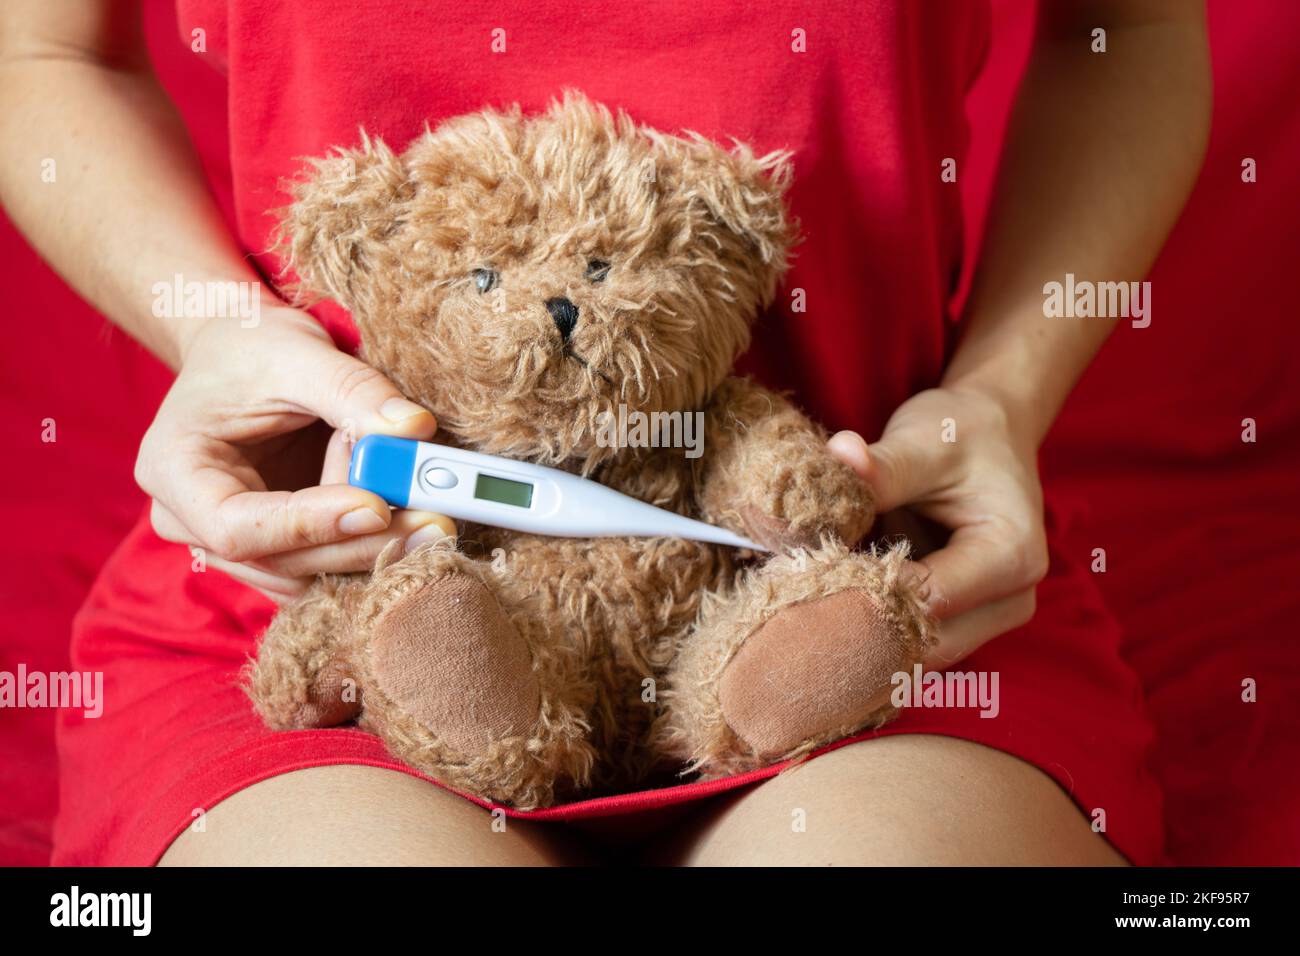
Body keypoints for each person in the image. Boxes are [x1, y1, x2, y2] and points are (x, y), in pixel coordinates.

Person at [0, 0, 1211, 865]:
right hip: (340, 585)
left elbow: (1131, 34)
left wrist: (1005, 390)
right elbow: (44, 46)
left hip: (885, 590)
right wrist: (215, 326)